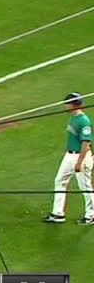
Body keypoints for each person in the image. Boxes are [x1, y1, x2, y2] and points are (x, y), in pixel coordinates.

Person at [44, 92, 92, 224]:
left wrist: (79, 162)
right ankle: (58, 213)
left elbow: (86, 143)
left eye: (67, 103)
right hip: (70, 156)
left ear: (74, 105)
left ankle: (91, 215)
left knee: (85, 186)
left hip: (81, 157)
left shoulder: (84, 121)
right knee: (59, 181)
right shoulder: (73, 117)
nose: (65, 105)